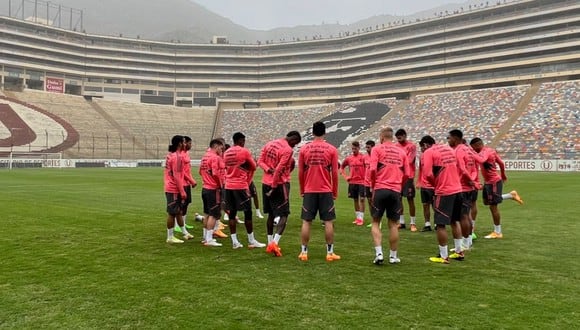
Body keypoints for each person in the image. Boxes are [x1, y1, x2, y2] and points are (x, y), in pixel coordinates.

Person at [298, 121, 340, 262]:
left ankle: (304, 252)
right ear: (325, 132)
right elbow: (335, 173)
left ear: (312, 132)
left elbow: (300, 172)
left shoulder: (304, 149)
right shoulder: (332, 149)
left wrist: (302, 188)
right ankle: (329, 253)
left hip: (309, 189)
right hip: (325, 190)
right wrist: (334, 191)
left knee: (306, 221)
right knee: (328, 221)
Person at [257, 131, 302, 257]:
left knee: (271, 214)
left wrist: (267, 169)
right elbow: (279, 170)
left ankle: (269, 242)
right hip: (279, 184)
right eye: (295, 143)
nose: (294, 146)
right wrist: (274, 186)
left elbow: (260, 161)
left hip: (265, 182)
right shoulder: (287, 150)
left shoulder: (270, 143)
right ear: (293, 139)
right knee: (284, 214)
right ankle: (274, 243)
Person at [369, 128, 410, 265]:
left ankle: (379, 253)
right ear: (392, 137)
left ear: (381, 136)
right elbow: (407, 174)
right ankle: (393, 256)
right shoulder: (401, 152)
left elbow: (373, 169)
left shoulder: (377, 149)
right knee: (393, 224)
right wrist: (399, 184)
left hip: (380, 188)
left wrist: (373, 184)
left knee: (375, 222)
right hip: (395, 190)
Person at [421, 135, 465, 264]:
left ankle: (443, 256)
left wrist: (435, 185)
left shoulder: (429, 152)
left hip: (444, 192)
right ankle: (458, 251)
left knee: (440, 224)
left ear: (425, 145)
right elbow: (459, 168)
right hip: (458, 189)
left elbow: (428, 173)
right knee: (454, 221)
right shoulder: (449, 149)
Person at [470, 138, 523, 239]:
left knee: (493, 206)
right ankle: (510, 195)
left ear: (478, 145)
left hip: (493, 182)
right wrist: (503, 174)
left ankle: (498, 232)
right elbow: (501, 163)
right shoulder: (491, 150)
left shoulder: (485, 152)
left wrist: (470, 153)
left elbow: (481, 160)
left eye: (473, 148)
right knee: (486, 202)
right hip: (488, 182)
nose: (473, 150)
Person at [223, 132, 266, 249]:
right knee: (248, 213)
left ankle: (234, 242)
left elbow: (225, 167)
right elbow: (253, 166)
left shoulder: (226, 152)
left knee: (232, 214)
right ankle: (251, 240)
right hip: (241, 185)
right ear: (241, 140)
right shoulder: (244, 151)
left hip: (228, 185)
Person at [448, 130, 478, 251]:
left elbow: (461, 168)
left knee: (463, 216)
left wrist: (470, 180)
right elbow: (475, 168)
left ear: (455, 138)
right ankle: (468, 241)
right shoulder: (469, 150)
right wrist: (473, 180)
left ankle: (465, 244)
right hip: (469, 187)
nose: (448, 140)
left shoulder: (459, 150)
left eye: (449, 138)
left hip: (462, 187)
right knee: (468, 215)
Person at [164, 135, 194, 243]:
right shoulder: (177, 157)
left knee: (178, 212)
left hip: (170, 187)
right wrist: (182, 190)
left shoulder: (171, 155)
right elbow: (177, 176)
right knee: (172, 213)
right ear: (180, 144)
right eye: (184, 142)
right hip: (173, 188)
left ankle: (184, 233)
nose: (185, 144)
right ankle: (170, 237)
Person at [198, 138, 226, 247]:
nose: (222, 150)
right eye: (221, 147)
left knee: (206, 213)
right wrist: (221, 185)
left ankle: (205, 237)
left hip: (205, 188)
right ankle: (209, 239)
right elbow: (215, 173)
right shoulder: (215, 158)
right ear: (216, 146)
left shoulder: (205, 157)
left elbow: (200, 171)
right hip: (213, 189)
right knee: (214, 215)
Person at [395, 129, 418, 231]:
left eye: (400, 137)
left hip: (408, 176)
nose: (399, 140)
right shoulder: (396, 147)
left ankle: (413, 223)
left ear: (405, 136)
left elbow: (409, 160)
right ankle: (402, 222)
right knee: (398, 199)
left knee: (410, 199)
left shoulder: (411, 146)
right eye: (397, 138)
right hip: (397, 176)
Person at [340, 141, 367, 226]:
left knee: (362, 199)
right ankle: (358, 218)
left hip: (362, 182)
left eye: (355, 148)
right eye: (352, 149)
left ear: (359, 148)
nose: (354, 150)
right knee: (355, 199)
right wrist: (345, 176)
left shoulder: (363, 157)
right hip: (352, 182)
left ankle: (361, 218)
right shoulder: (349, 158)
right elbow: (341, 167)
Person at [174, 136, 197, 234]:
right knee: (180, 205)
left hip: (187, 183)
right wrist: (192, 180)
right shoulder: (181, 155)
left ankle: (183, 222)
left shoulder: (186, 154)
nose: (190, 145)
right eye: (189, 143)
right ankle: (176, 225)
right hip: (182, 183)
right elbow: (182, 171)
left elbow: (188, 170)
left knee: (186, 203)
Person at [417, 136, 435, 232]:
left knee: (435, 205)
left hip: (433, 185)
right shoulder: (422, 156)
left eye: (422, 147)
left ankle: (437, 223)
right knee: (425, 205)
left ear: (425, 145)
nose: (421, 149)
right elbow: (420, 169)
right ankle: (427, 224)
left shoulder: (435, 154)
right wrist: (419, 181)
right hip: (424, 185)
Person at [363, 140, 376, 228]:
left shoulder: (376, 157)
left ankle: (377, 221)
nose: (367, 149)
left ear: (373, 147)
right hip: (366, 183)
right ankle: (373, 220)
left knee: (375, 202)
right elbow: (365, 168)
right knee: (370, 201)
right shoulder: (365, 157)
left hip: (375, 183)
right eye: (366, 147)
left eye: (369, 147)